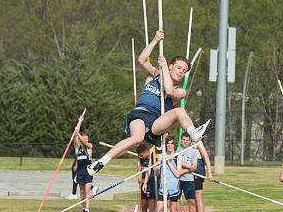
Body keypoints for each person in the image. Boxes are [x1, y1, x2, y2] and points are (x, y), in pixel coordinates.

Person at [88, 30, 210, 176]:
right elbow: (142, 60)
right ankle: (101, 162)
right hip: (140, 113)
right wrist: (155, 40)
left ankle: (193, 133)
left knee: (179, 111)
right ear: (171, 66)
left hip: (156, 122)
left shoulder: (180, 90)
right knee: (137, 138)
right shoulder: (155, 75)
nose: (181, 72)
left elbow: (169, 91)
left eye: (184, 71)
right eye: (178, 67)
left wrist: (164, 67)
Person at [145, 137, 186, 212]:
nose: (170, 145)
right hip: (163, 187)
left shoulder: (178, 156)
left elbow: (177, 174)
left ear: (174, 145)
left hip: (174, 188)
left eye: (172, 143)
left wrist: (169, 163)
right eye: (168, 143)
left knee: (172, 211)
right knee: (158, 210)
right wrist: (157, 169)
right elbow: (158, 174)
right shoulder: (161, 156)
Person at [134, 143, 156, 212]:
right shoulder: (140, 159)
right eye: (139, 156)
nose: (141, 157)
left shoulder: (152, 156)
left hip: (151, 183)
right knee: (143, 207)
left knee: (152, 206)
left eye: (141, 155)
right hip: (143, 184)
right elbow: (139, 171)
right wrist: (139, 182)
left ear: (145, 152)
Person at [178, 133, 199, 212]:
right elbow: (177, 163)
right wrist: (188, 167)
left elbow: (194, 167)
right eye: (183, 139)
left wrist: (184, 170)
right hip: (177, 179)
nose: (185, 141)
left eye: (187, 140)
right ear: (181, 140)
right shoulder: (177, 150)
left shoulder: (193, 152)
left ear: (189, 141)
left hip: (188, 180)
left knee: (191, 201)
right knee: (172, 202)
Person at [72, 130, 94, 212]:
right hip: (80, 172)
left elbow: (86, 143)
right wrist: (76, 130)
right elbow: (75, 141)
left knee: (87, 190)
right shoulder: (78, 149)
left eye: (87, 139)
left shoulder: (89, 147)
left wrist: (78, 133)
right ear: (80, 140)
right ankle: (83, 207)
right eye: (84, 139)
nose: (86, 141)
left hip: (88, 172)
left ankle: (87, 209)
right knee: (81, 192)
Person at [191, 140, 212, 212]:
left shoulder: (198, 142)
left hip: (198, 171)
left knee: (197, 195)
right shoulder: (185, 139)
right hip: (187, 171)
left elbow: (205, 156)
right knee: (190, 197)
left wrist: (209, 173)